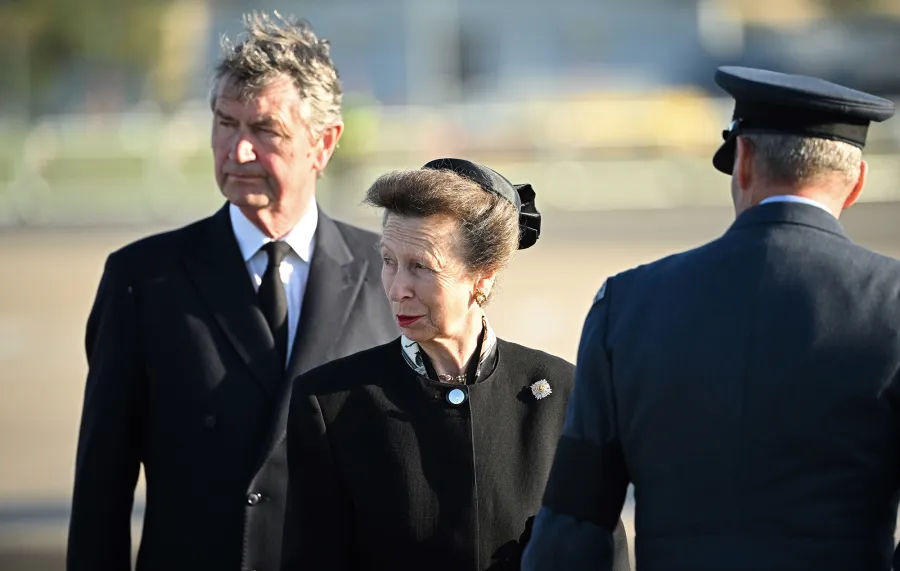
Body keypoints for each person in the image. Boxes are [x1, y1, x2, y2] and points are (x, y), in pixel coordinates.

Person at [523, 65, 900, 571]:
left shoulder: (629, 303)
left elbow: (575, 523)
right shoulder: (891, 302)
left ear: (742, 161)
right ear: (856, 183)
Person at [66, 12, 398, 571]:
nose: (237, 150)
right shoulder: (141, 280)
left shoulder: (388, 272)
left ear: (324, 142)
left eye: (265, 130)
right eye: (225, 123)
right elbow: (102, 486)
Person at [279, 158, 631, 571]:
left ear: (482, 276)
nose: (396, 289)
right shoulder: (331, 401)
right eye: (388, 260)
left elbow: (602, 554)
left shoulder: (563, 391)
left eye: (421, 267)